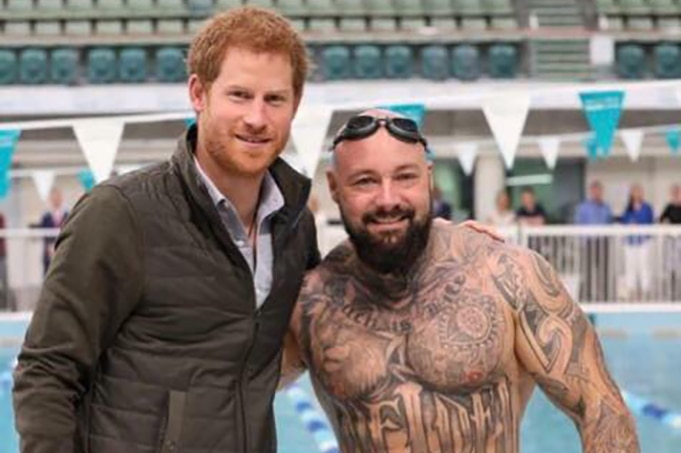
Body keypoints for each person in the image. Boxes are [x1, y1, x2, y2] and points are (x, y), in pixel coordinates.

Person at [13, 7, 321, 453]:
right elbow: (47, 373)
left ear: (296, 103)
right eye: (239, 95)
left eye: (274, 99)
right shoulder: (121, 214)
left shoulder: (294, 227)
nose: (257, 118)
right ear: (199, 92)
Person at [281, 110, 639, 453]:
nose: (388, 199)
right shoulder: (311, 301)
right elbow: (236, 397)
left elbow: (601, 410)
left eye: (405, 177)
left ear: (429, 178)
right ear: (334, 187)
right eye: (365, 181)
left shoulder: (505, 273)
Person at [574, 180, 613, 302]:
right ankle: (585, 296)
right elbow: (578, 224)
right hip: (588, 242)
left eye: (599, 191)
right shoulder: (583, 207)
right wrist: (581, 242)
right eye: (594, 191)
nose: (597, 193)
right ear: (591, 192)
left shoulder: (606, 207)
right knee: (587, 271)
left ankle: (604, 297)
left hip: (602, 242)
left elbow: (609, 223)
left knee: (604, 271)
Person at [620, 184, 655, 300]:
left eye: (639, 191)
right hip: (630, 242)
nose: (637, 194)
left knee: (644, 266)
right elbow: (624, 220)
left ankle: (645, 291)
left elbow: (649, 222)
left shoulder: (647, 207)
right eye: (635, 191)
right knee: (630, 266)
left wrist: (638, 224)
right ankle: (631, 291)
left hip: (643, 242)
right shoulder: (628, 208)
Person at [35, 187, 69, 275]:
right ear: (50, 199)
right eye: (54, 197)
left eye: (58, 197)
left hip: (64, 252)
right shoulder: (45, 216)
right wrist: (50, 248)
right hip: (49, 253)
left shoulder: (67, 215)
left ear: (61, 198)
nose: (56, 200)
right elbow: (44, 235)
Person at [660, 184, 681, 299]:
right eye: (675, 193)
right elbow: (661, 219)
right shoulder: (669, 207)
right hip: (671, 239)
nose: (677, 195)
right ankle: (672, 293)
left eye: (678, 192)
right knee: (671, 266)